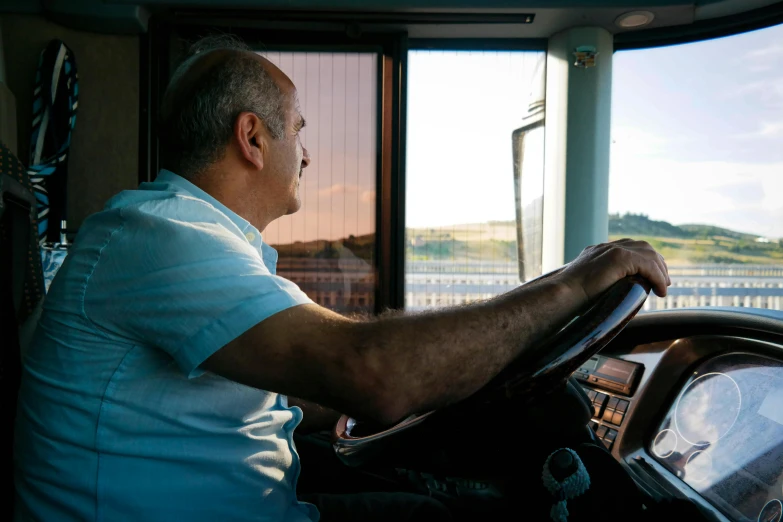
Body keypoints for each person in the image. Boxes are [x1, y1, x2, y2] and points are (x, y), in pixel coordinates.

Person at [13, 36, 671, 522]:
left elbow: (326, 387)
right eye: (298, 130)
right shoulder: (163, 240)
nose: (307, 152)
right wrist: (570, 284)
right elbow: (371, 375)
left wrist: (457, 368)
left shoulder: (192, 240)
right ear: (251, 138)